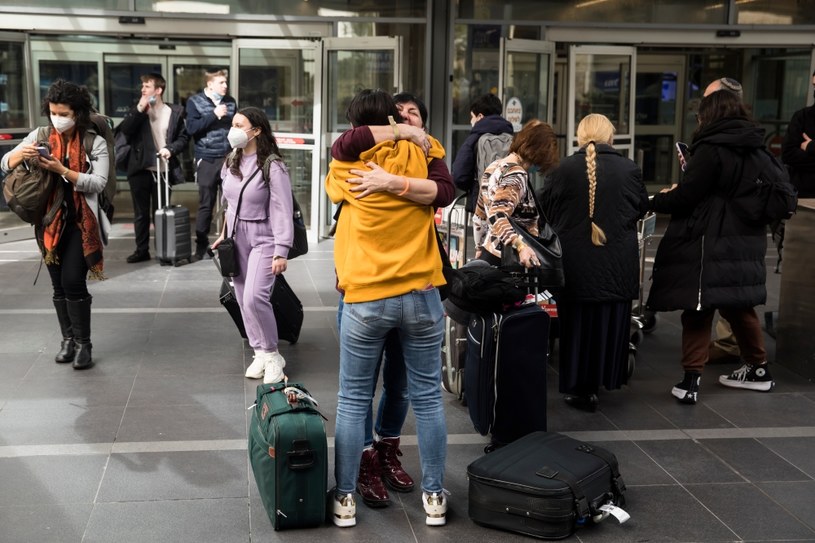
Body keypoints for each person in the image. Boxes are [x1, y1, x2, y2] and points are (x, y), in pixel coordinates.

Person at [325, 89, 451, 528]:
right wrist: (411, 137)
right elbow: (445, 192)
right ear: (391, 119)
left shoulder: (346, 165)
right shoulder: (426, 152)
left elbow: (344, 145)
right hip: (421, 295)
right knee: (429, 400)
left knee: (352, 399)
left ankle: (344, 499)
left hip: (366, 298)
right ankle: (434, 496)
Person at [647, 89, 774, 405]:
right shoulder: (756, 148)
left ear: (709, 116)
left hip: (710, 239)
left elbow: (687, 196)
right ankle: (759, 371)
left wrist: (651, 200)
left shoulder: (711, 149)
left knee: (698, 308)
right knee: (738, 304)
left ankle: (691, 381)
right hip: (746, 239)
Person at [539, 114, 648, 412]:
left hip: (574, 266)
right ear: (610, 136)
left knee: (576, 329)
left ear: (579, 136)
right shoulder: (629, 169)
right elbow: (641, 207)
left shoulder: (560, 170)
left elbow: (543, 210)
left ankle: (579, 386)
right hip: (617, 265)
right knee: (609, 324)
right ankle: (606, 377)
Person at [1, 79, 110, 370]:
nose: (57, 118)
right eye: (52, 112)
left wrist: (63, 170)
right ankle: (68, 340)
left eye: (63, 113)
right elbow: (4, 164)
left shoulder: (93, 142)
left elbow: (98, 183)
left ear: (78, 114)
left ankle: (84, 343)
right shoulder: (40, 134)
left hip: (80, 221)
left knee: (73, 281)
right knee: (57, 285)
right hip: (48, 222)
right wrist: (17, 155)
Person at [211, 107, 293, 384]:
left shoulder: (272, 165)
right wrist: (224, 233)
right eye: (232, 124)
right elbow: (228, 203)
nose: (233, 129)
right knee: (242, 299)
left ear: (256, 131)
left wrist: (282, 250)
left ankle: (272, 355)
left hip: (265, 237)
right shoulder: (232, 159)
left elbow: (283, 208)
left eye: (239, 125)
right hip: (238, 237)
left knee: (254, 297)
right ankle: (259, 351)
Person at [118, 73, 189, 263]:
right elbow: (126, 130)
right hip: (140, 169)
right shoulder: (140, 110)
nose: (143, 89)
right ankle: (141, 250)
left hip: (163, 170)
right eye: (142, 86)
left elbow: (183, 138)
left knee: (161, 212)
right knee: (140, 213)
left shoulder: (174, 112)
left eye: (147, 86)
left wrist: (170, 149)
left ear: (158, 90)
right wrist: (140, 108)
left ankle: (163, 250)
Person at [472, 118, 559, 267]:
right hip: (510, 259)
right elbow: (497, 214)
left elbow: (480, 217)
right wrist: (520, 245)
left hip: (490, 253)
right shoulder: (517, 174)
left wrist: (479, 247)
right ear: (539, 152)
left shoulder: (493, 167)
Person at [186, 69, 238, 260]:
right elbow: (191, 128)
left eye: (226, 82)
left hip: (227, 158)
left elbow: (236, 126)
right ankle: (201, 246)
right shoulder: (195, 102)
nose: (225, 86)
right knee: (206, 204)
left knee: (231, 202)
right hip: (206, 158)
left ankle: (229, 242)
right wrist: (213, 115)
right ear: (210, 85)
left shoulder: (231, 101)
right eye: (221, 82)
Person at [451, 93, 514, 211]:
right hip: (509, 202)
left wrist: (473, 187)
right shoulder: (511, 136)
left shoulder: (474, 138)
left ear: (479, 116)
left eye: (472, 117)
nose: (471, 121)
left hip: (482, 205)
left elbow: (459, 175)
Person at [781, 69, 815, 198]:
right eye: (814, 85)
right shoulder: (802, 117)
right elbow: (788, 154)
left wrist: (811, 147)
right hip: (803, 195)